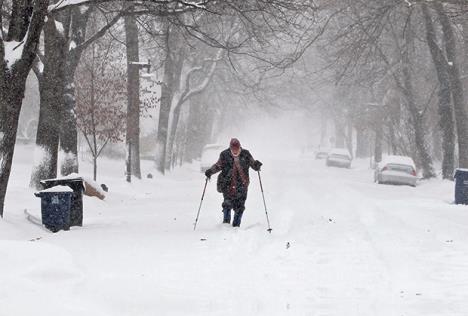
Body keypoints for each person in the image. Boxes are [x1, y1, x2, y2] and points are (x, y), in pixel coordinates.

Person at [204, 138, 262, 227]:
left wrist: (256, 165)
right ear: (230, 148)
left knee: (240, 207)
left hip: (242, 186)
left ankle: (236, 227)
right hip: (227, 185)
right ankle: (225, 225)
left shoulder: (245, 154)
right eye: (233, 149)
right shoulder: (224, 155)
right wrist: (210, 171)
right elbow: (218, 165)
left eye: (237, 149)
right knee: (227, 204)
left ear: (240, 147)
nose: (235, 151)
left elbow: (253, 164)